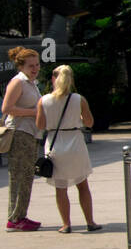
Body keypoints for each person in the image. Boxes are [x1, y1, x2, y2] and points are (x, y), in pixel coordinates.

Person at [34, 65, 99, 233]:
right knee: (82, 185)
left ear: (53, 79)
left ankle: (66, 224)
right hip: (75, 142)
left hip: (55, 143)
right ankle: (90, 222)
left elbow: (40, 125)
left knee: (60, 188)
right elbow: (90, 122)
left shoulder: (44, 100)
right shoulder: (79, 99)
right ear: (71, 80)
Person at [3, 47, 43, 230]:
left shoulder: (31, 83)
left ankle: (20, 215)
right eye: (30, 66)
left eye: (37, 65)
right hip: (20, 133)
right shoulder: (18, 82)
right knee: (19, 176)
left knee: (27, 176)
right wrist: (33, 112)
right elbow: (7, 108)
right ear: (21, 66)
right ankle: (15, 218)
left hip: (31, 133)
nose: (35, 69)